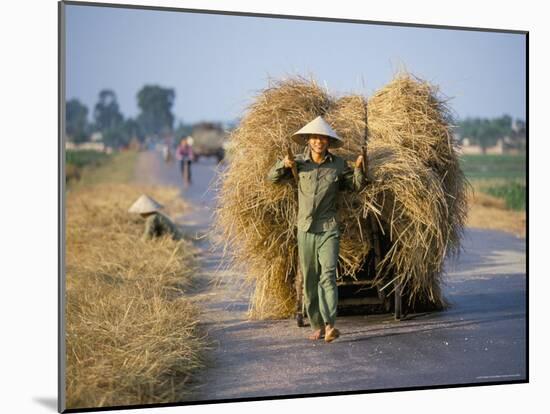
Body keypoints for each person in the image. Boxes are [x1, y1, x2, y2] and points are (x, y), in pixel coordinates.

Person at [267, 116, 366, 343]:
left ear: (328, 142)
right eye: (314, 138)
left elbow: (356, 186)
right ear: (308, 141)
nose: (318, 142)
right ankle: (318, 325)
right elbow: (271, 178)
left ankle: (331, 325)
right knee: (310, 278)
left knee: (328, 275)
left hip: (329, 228)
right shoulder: (299, 164)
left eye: (322, 138)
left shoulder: (338, 165)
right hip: (305, 229)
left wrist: (360, 168)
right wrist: (284, 164)